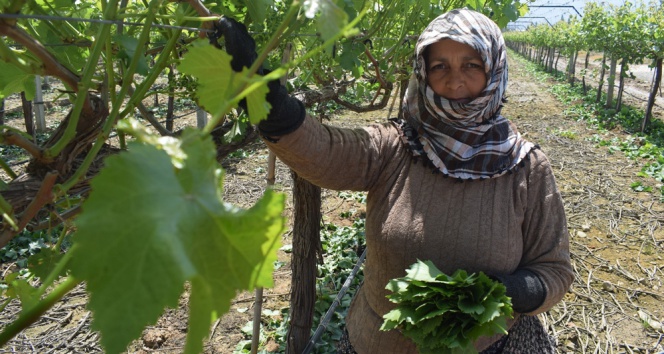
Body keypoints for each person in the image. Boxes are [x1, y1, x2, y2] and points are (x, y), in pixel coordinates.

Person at [213, 8, 573, 354]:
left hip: (492, 346)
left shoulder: (526, 168)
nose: (454, 79)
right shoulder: (396, 146)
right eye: (439, 66)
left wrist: (513, 291)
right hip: (377, 343)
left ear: (494, 69)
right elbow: (321, 149)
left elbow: (554, 270)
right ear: (422, 72)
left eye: (471, 65)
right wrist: (264, 93)